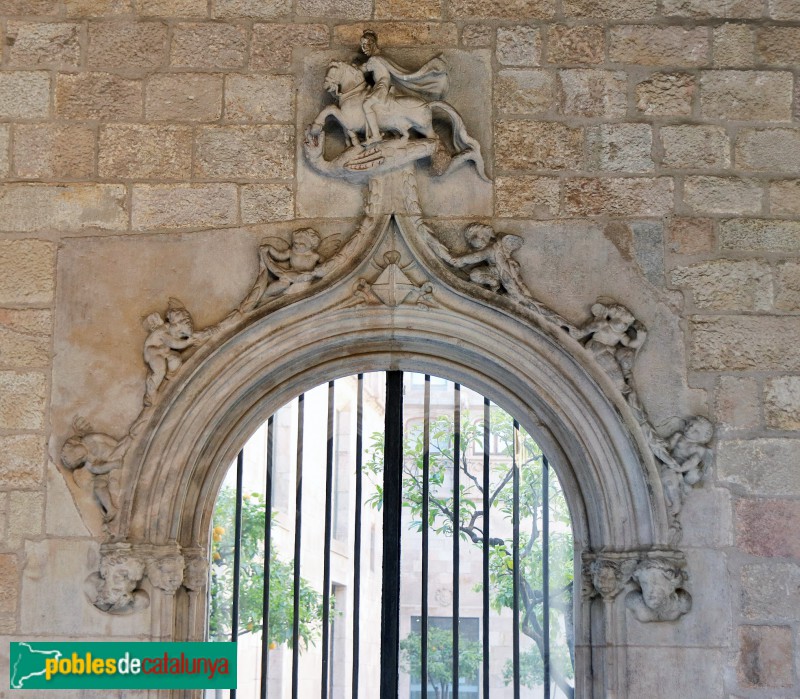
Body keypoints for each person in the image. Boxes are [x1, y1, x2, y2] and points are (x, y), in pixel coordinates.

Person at [356, 30, 448, 145]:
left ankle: (376, 136)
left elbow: (362, 70)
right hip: (382, 85)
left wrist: (351, 68)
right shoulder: (381, 57)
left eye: (365, 45)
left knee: (366, 104)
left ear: (373, 44)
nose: (363, 49)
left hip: (382, 86)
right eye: (362, 45)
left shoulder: (374, 59)